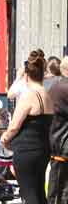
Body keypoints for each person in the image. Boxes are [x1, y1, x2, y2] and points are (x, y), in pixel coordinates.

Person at [1, 55, 53, 204]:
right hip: (43, 150)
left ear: (27, 75)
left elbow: (14, 126)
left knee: (28, 193)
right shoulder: (47, 95)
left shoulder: (29, 96)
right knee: (39, 193)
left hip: (26, 151)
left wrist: (4, 139)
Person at [48, 73, 68, 203]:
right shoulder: (63, 87)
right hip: (61, 143)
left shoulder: (55, 86)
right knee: (61, 188)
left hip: (58, 141)